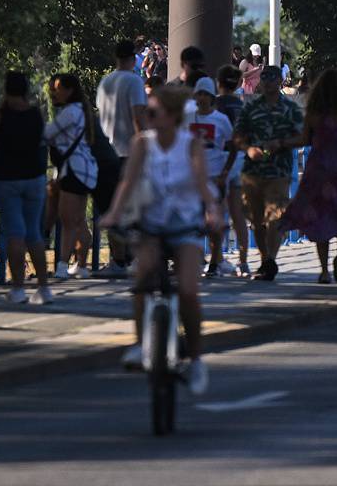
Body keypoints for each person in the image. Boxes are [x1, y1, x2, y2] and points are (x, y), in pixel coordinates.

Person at [108, 83, 222, 396]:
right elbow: (128, 182)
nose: (148, 116)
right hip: (151, 223)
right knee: (142, 275)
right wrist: (113, 214)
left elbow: (201, 183)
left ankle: (196, 359)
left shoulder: (191, 145)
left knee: (187, 289)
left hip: (185, 224)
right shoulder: (142, 143)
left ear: (171, 116)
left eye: (154, 112)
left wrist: (212, 211)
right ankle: (141, 343)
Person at [282, 70, 337, 281]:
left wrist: (280, 143)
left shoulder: (314, 113)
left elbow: (304, 140)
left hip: (318, 169)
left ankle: (324, 271)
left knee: (321, 217)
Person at [233, 61, 306, 280]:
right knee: (256, 220)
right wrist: (248, 148)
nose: (266, 82)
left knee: (275, 215)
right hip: (253, 171)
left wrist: (281, 143)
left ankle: (271, 260)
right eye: (264, 78)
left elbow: (302, 137)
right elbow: (238, 136)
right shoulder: (251, 108)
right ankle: (265, 258)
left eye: (271, 78)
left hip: (278, 171)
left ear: (279, 81)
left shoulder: (290, 108)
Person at [0, 71, 53, 306]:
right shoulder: (36, 114)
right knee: (33, 232)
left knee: (15, 232)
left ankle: (18, 288)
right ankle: (44, 288)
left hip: (6, 178)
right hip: (34, 177)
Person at [97, 44, 149, 277]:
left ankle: (117, 259)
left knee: (112, 206)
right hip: (129, 151)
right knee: (135, 206)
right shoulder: (134, 81)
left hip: (107, 152)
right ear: (132, 58)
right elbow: (137, 114)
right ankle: (136, 257)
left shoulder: (105, 82)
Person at [45, 72, 98, 278]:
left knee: (68, 220)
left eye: (57, 88)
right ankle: (82, 265)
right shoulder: (80, 111)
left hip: (73, 170)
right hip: (83, 171)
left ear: (69, 90)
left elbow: (48, 133)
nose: (53, 92)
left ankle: (62, 265)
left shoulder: (70, 113)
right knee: (78, 220)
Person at [183, 78, 237, 278]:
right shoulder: (188, 118)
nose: (202, 98)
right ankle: (195, 260)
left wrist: (225, 173)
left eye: (206, 94)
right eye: (199, 94)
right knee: (192, 222)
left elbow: (232, 147)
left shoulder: (220, 120)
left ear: (212, 97)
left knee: (215, 221)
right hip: (193, 178)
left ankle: (215, 261)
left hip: (215, 176)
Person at [213, 66, 252, 278]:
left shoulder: (216, 106)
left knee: (217, 213)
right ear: (238, 84)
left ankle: (217, 258)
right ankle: (243, 261)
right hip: (240, 160)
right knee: (238, 215)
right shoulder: (242, 107)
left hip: (220, 162)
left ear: (218, 82)